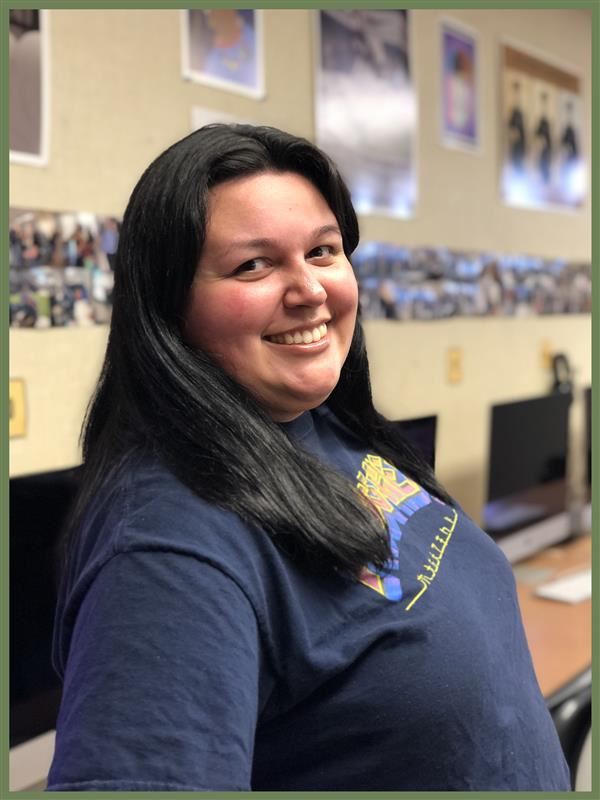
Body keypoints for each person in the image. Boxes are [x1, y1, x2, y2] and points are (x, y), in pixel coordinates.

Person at [47, 124, 570, 792]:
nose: (309, 290)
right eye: (253, 265)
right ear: (169, 307)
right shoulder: (164, 547)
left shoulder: (321, 424)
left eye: (323, 251)